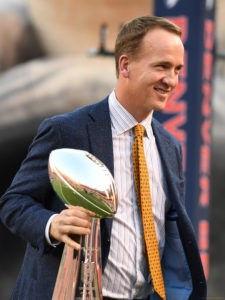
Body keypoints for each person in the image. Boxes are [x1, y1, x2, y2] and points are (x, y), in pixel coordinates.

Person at [0, 16, 206, 300]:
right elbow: (14, 203)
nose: (171, 80)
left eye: (177, 69)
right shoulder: (66, 129)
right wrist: (51, 225)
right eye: (161, 66)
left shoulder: (170, 147)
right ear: (125, 66)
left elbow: (169, 234)